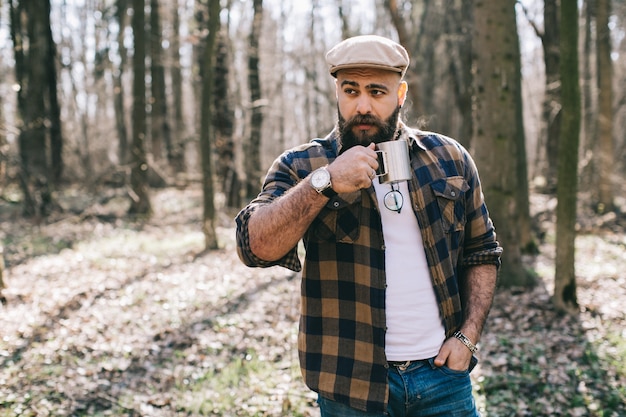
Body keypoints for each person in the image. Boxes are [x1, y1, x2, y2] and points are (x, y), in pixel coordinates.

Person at [235, 35, 502, 417]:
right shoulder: (302, 165)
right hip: (350, 386)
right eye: (351, 91)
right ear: (337, 93)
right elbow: (253, 247)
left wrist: (469, 336)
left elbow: (482, 251)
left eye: (377, 92)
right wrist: (324, 182)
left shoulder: (448, 158)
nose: (362, 106)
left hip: (443, 378)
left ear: (401, 94)